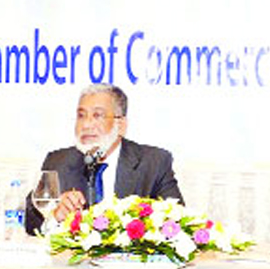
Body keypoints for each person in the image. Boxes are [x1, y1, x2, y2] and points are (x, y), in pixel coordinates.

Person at [25, 84, 184, 235]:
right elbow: (30, 222)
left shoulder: (153, 163)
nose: (86, 125)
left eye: (98, 115)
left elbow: (178, 223)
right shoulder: (58, 162)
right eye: (81, 116)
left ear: (120, 125)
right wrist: (54, 216)